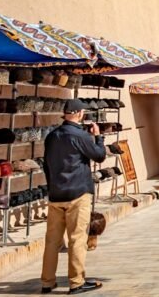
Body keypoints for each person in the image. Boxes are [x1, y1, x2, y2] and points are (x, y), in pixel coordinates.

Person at [40, 99, 106, 294]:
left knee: (52, 240)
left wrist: (52, 186)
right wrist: (98, 137)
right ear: (79, 114)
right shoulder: (81, 135)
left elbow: (46, 165)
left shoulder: (52, 136)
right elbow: (99, 155)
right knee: (77, 238)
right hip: (78, 193)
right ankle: (76, 282)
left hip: (56, 194)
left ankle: (47, 282)